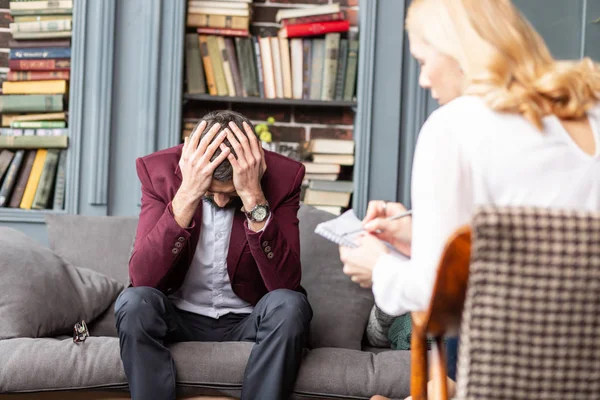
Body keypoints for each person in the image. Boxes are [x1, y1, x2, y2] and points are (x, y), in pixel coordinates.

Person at [338, 0, 600, 399]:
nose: (423, 80)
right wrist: (422, 237)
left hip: (502, 385)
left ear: (458, 49)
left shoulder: (455, 127)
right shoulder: (593, 114)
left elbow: (433, 295)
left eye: (424, 61)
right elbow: (546, 257)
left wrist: (379, 267)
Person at [114, 110, 312, 400]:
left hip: (249, 319)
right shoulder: (157, 171)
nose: (220, 201)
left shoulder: (284, 177)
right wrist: (189, 192)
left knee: (292, 305)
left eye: (230, 194)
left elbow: (286, 284)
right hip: (177, 318)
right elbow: (142, 278)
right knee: (133, 302)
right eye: (212, 191)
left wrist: (253, 198)